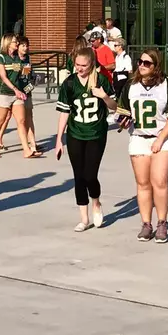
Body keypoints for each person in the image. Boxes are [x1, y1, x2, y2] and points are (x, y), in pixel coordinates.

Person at [116, 48, 168, 244]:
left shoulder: (167, 85)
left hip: (162, 137)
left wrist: (160, 139)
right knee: (143, 183)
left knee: (159, 181)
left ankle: (162, 222)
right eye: (140, 62)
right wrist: (123, 120)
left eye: (147, 63)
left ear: (156, 66)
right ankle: (146, 224)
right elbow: (123, 112)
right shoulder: (131, 85)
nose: (142, 66)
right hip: (138, 137)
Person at [55, 46, 112, 232]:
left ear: (92, 64)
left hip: (96, 133)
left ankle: (96, 202)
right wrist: (59, 140)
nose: (79, 68)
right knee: (78, 176)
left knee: (90, 175)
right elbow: (64, 112)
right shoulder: (69, 83)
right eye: (77, 64)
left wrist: (103, 96)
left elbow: (115, 107)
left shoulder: (101, 80)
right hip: (75, 133)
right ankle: (84, 218)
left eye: (84, 65)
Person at [0, 33, 22, 158]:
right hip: (3, 92)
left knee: (21, 120)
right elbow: (3, 76)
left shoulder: (17, 57)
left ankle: (28, 148)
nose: (17, 43)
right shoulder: (1, 57)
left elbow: (19, 74)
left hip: (17, 93)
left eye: (17, 41)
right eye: (14, 42)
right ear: (7, 43)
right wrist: (15, 89)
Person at [11, 36, 42, 159]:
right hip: (17, 93)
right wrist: (20, 91)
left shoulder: (27, 58)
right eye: (23, 45)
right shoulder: (16, 60)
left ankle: (33, 145)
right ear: (17, 46)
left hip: (27, 91)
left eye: (26, 46)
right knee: (11, 119)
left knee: (29, 117)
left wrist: (30, 86)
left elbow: (26, 76)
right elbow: (16, 78)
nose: (25, 48)